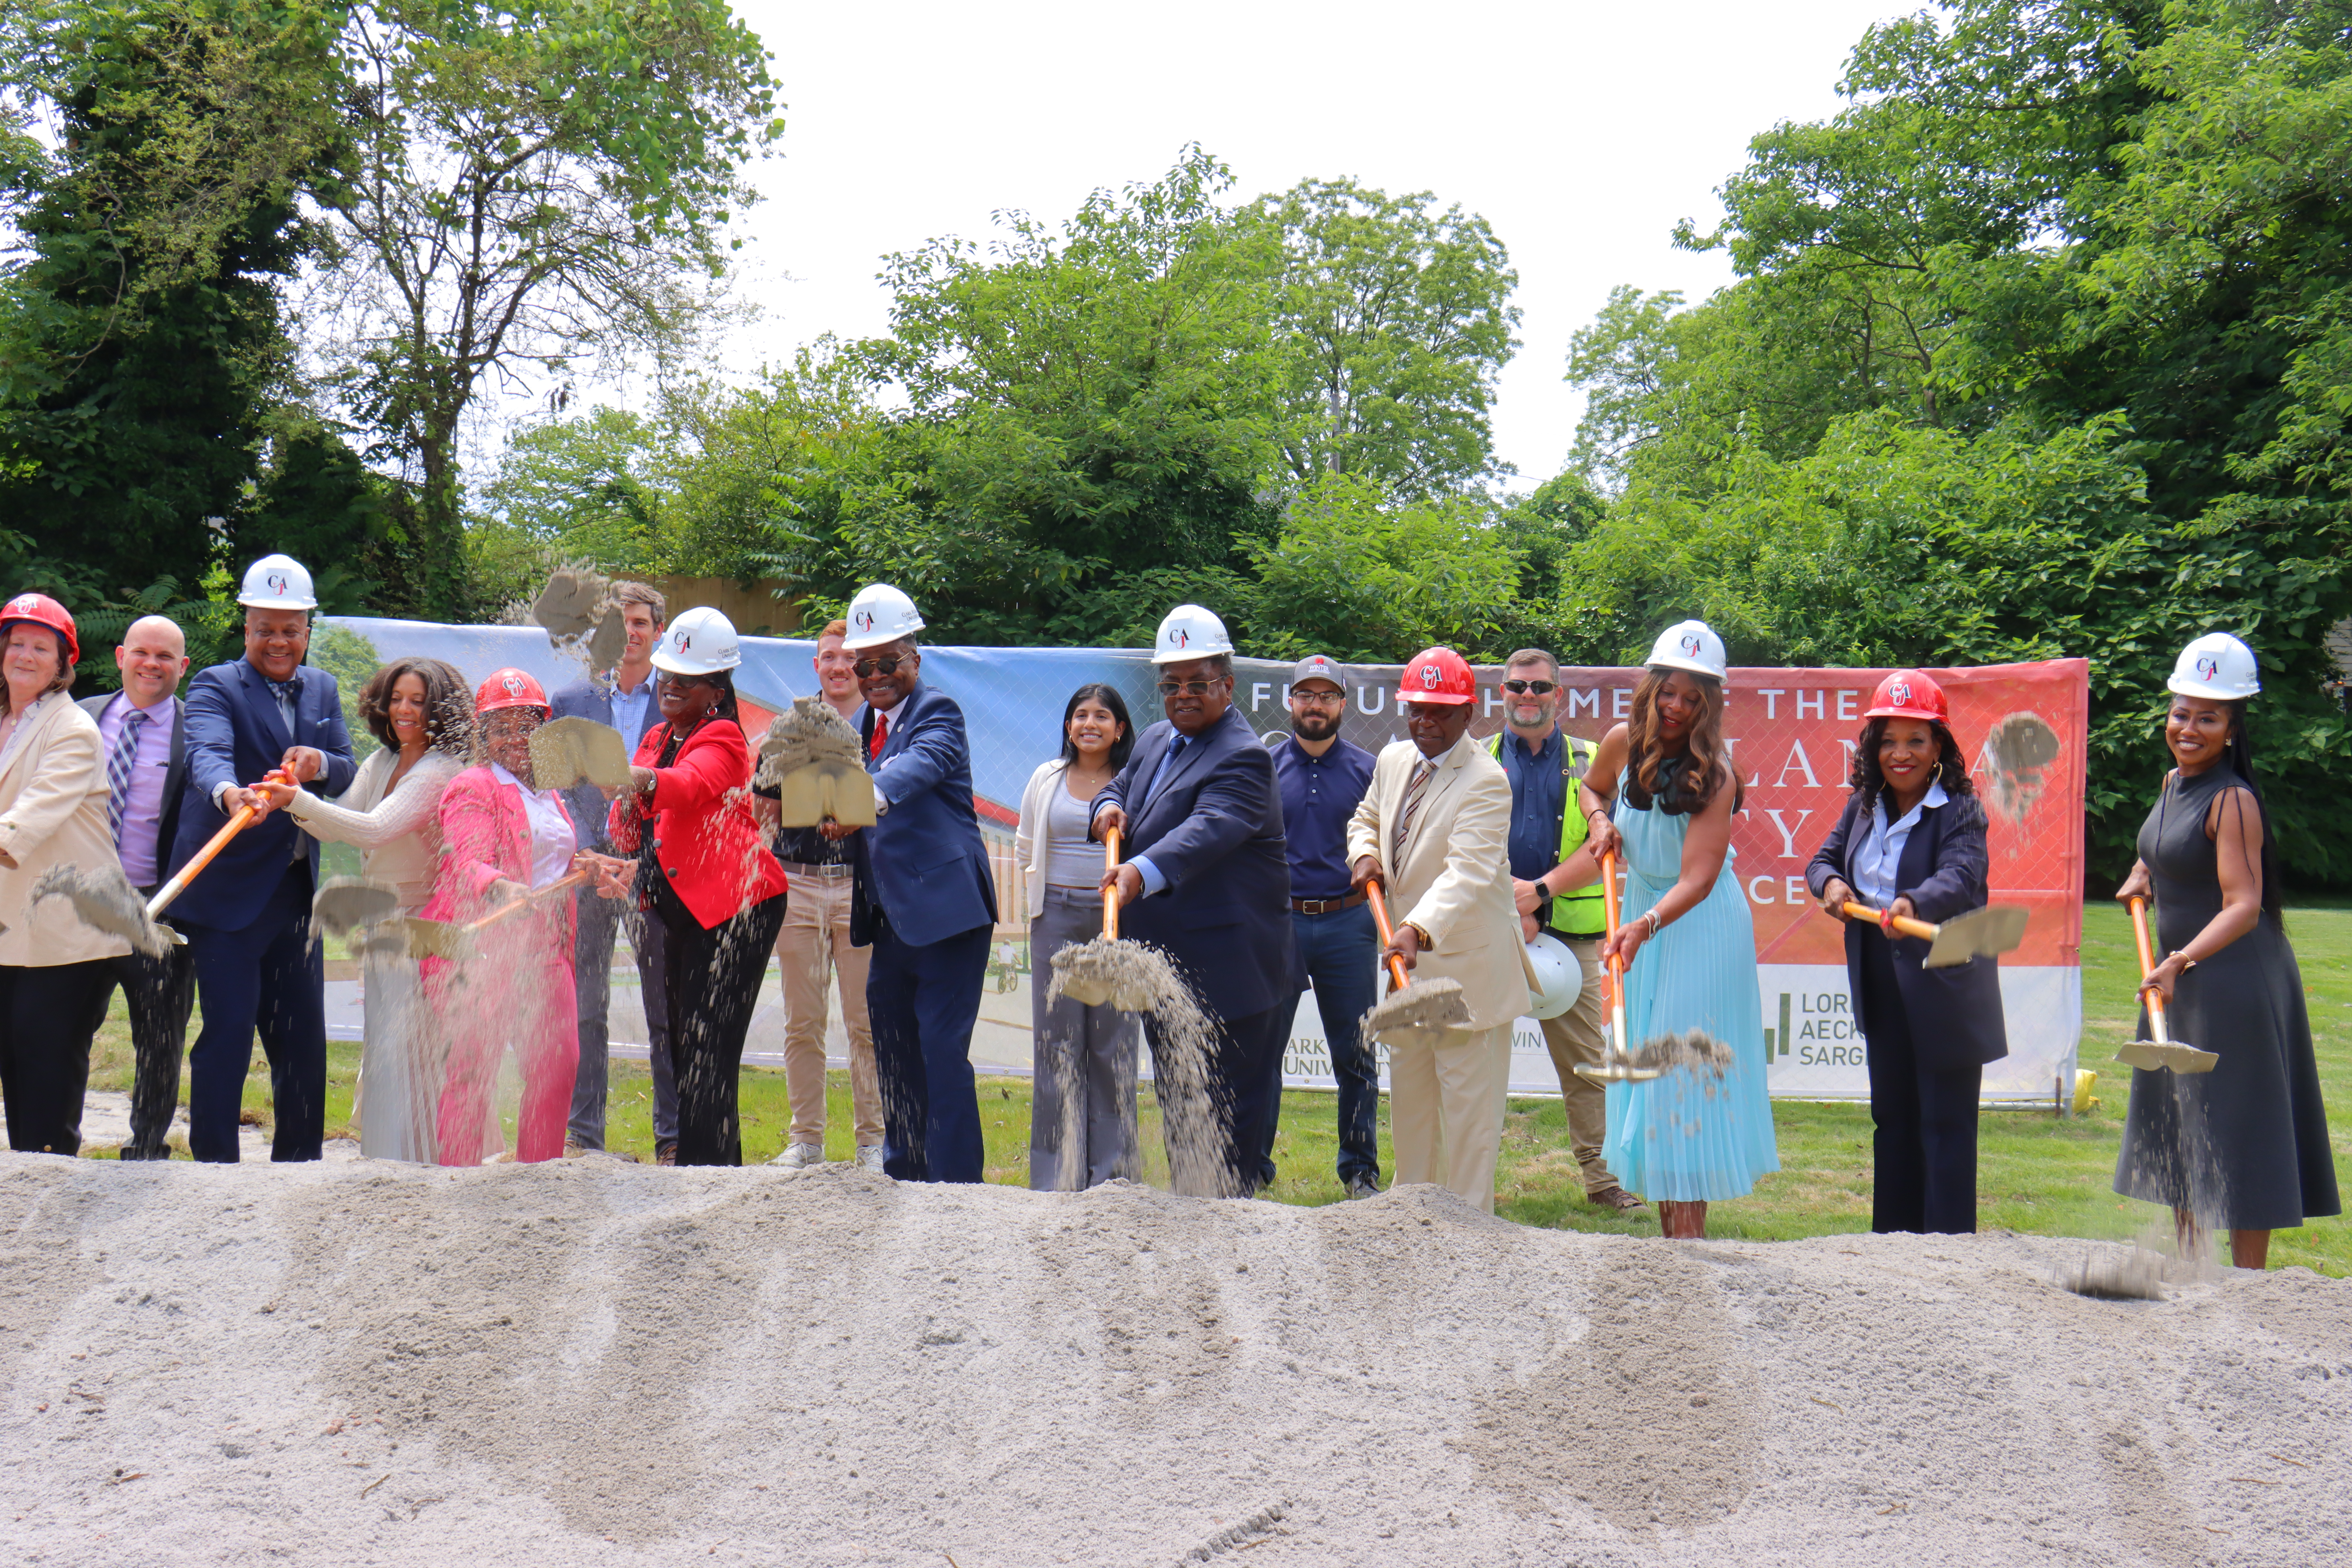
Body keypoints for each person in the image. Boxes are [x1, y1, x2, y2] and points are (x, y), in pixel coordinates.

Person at [2111, 632, 2338, 1269]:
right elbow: (2166, 844)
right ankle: (2191, 1265)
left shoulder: (2233, 801)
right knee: (2184, 1115)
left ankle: (2246, 1284)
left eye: (2208, 718)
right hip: (2182, 977)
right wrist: (2143, 872)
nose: (2190, 728)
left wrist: (2179, 961)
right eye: (2182, 713)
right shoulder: (2172, 782)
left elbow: (2243, 903)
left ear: (2233, 729)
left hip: (2233, 980)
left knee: (2239, 1122)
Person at [1579, 619, 1780, 1239]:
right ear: (1652, 685)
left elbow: (1696, 878)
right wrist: (1598, 822)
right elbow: (1590, 789)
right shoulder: (1620, 742)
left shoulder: (1716, 772)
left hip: (1696, 926)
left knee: (1680, 1082)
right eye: (1670, 690)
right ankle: (1675, 1245)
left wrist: (1643, 925)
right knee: (1653, 1081)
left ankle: (1687, 1246)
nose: (1678, 706)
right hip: (1645, 918)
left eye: (1694, 697)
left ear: (1710, 703)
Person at [1092, 604, 1300, 1198]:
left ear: (1227, 686)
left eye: (1198, 683)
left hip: (1232, 980)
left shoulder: (1245, 757)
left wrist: (1138, 870)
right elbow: (1123, 784)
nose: (1182, 695)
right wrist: (1106, 807)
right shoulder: (1158, 739)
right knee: (1185, 1120)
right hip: (1170, 973)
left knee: (1227, 1134)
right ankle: (1196, 1255)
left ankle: (1235, 1260)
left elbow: (1207, 830)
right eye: (1171, 684)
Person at [168, 554, 358, 1162]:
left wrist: (318, 765)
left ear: (308, 631)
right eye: (266, 629)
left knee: (303, 1039)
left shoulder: (324, 688)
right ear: (245, 628)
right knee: (227, 1032)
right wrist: (233, 794)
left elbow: (346, 770)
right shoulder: (215, 685)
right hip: (228, 891)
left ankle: (299, 1167)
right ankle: (217, 1167)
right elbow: (207, 755)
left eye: (291, 629)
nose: (279, 642)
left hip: (296, 890)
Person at [1806, 669, 2008, 1234]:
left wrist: (1913, 903)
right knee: (1892, 1118)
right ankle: (1891, 1247)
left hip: (1942, 977)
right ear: (1873, 747)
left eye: (1916, 740)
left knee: (1944, 1123)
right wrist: (1831, 887)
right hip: (1878, 969)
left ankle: (1947, 1250)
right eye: (1889, 741)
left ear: (1938, 746)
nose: (1901, 754)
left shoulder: (1961, 810)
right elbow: (1820, 861)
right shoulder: (1862, 806)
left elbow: (1963, 878)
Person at [1344, 647, 1533, 1215]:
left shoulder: (1487, 781)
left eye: (1440, 713)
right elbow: (1366, 819)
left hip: (1464, 971)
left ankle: (1472, 1226)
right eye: (1416, 710)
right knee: (1412, 1101)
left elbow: (1468, 873)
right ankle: (1411, 1215)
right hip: (1410, 971)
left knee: (1469, 1113)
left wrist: (1417, 930)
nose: (1425, 723)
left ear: (1469, 713)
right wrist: (1365, 856)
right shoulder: (1394, 759)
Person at [267, 657, 473, 1162]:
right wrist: (287, 799)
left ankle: (425, 1163)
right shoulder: (383, 762)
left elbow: (376, 829)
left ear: (441, 710)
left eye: (419, 702)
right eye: (398, 698)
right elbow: (341, 824)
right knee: (388, 1053)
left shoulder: (440, 771)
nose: (404, 710)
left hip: (426, 929)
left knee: (416, 1055)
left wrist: (299, 799)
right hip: (386, 927)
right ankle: (389, 1163)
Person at [610, 608, 790, 1167]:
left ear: (715, 691)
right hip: (681, 910)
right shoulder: (659, 736)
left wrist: (635, 781)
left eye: (684, 679)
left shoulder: (726, 738)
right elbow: (624, 827)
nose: (668, 684)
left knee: (709, 1049)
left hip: (739, 908)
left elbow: (686, 788)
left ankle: (703, 1176)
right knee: (684, 1046)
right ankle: (710, 1172)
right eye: (666, 673)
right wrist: (623, 795)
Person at [830, 584, 997, 1183]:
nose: (874, 675)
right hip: (890, 918)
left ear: (915, 661)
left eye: (887, 662)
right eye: (863, 664)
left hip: (948, 915)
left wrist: (861, 797)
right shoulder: (861, 726)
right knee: (895, 1051)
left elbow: (918, 765)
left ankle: (955, 1188)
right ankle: (905, 1173)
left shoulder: (937, 712)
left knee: (941, 1052)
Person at [424, 669, 615, 1166]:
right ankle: (457, 1180)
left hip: (546, 945)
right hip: (486, 949)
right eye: (501, 728)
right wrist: (500, 885)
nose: (515, 739)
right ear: (483, 736)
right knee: (473, 1069)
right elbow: (467, 860)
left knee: (558, 1064)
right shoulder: (472, 786)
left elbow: (549, 855)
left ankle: (539, 1174)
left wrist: (587, 867)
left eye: (526, 725)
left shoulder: (549, 791)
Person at [1489, 646, 1640, 1214]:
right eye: (1517, 688)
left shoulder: (1594, 759)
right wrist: (1512, 905)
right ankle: (1460, 1178)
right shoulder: (1477, 759)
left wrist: (1541, 892)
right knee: (1474, 1059)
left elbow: (1606, 844)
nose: (1528, 697)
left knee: (1586, 1066)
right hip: (1495, 932)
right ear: (1500, 694)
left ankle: (1604, 1182)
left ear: (1560, 695)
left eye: (1539, 688)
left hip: (1572, 936)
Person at [0, 595, 131, 1154]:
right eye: (16, 642)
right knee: (15, 1062)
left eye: (41, 647)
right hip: (14, 930)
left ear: (62, 664)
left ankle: (51, 1211)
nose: (25, 655)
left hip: (66, 938)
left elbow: (27, 818)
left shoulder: (73, 729)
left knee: (45, 1071)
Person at [551, 580, 674, 1157]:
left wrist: (636, 861)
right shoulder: (569, 702)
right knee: (586, 1008)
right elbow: (558, 791)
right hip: (587, 874)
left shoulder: (680, 704)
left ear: (658, 633)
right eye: (617, 625)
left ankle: (673, 1139)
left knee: (664, 1008)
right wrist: (584, 851)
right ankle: (584, 1136)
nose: (629, 636)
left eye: (641, 625)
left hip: (653, 872)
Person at [765, 618, 883, 1173]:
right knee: (803, 1022)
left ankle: (873, 1144)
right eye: (829, 657)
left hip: (860, 888)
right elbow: (763, 796)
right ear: (817, 665)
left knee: (864, 1022)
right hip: (800, 882)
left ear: (863, 667)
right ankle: (806, 1139)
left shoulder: (883, 726)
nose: (839, 667)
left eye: (849, 658)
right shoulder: (791, 723)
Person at [1015, 681, 1140, 1190]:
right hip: (1057, 920)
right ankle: (1055, 1178)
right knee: (1057, 1048)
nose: (1090, 724)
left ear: (1120, 729)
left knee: (1114, 1048)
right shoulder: (1047, 778)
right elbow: (1026, 846)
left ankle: (1112, 1176)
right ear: (1068, 727)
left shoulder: (1134, 781)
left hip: (1115, 921)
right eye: (1081, 716)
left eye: (1102, 717)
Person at [79, 614, 193, 1160]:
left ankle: (146, 1148)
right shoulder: (77, 720)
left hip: (158, 906)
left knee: (159, 1036)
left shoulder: (198, 735)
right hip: (79, 902)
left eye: (166, 657)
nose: (152, 664)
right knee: (62, 1028)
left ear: (182, 668)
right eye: (143, 653)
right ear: (121, 655)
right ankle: (53, 1142)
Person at [1270, 655, 1381, 1198]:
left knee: (1357, 1055)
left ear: (1343, 703)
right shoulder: (1262, 767)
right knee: (1264, 1051)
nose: (1315, 705)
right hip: (1280, 923)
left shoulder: (1370, 770)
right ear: (1291, 702)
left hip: (1349, 922)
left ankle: (1360, 1172)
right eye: (1305, 695)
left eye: (1326, 696)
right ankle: (1250, 1167)